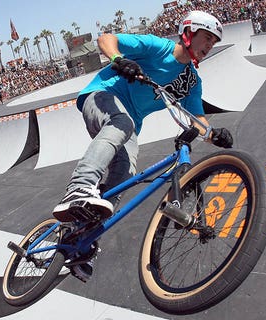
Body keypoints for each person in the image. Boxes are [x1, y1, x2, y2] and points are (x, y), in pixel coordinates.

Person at [52, 10, 233, 281]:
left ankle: (80, 238)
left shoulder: (192, 81)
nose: (209, 46)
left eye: (214, 42)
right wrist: (118, 59)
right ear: (189, 33)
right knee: (122, 123)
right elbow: (106, 39)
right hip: (103, 97)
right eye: (207, 38)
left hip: (128, 125)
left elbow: (196, 120)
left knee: (124, 173)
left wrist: (213, 134)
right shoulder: (157, 48)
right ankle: (79, 186)